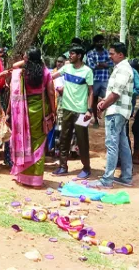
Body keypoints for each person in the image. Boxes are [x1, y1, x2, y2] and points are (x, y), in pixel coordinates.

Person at [9, 48, 56, 188]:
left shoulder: (23, 72)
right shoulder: (45, 71)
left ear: (28, 58)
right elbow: (51, 92)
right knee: (39, 143)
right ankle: (36, 179)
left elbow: (14, 66)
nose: (23, 57)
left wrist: (25, 61)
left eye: (25, 56)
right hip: (40, 110)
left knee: (25, 141)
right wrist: (53, 110)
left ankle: (24, 177)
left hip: (23, 110)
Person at [89, 42, 134, 189]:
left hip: (116, 112)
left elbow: (115, 94)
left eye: (112, 53)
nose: (109, 56)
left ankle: (107, 180)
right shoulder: (121, 68)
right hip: (119, 111)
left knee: (112, 144)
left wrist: (102, 105)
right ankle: (126, 177)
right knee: (122, 144)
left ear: (120, 55)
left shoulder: (123, 69)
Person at [52, 46, 94, 178]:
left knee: (82, 140)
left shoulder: (87, 71)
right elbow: (52, 76)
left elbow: (91, 91)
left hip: (81, 112)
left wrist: (89, 109)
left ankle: (86, 168)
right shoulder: (67, 68)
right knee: (64, 138)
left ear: (80, 56)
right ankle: (63, 166)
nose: (70, 56)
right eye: (70, 53)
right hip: (66, 109)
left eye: (73, 54)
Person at [87, 35, 114, 126]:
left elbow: (110, 64)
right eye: (98, 42)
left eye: (102, 41)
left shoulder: (107, 52)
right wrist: (103, 64)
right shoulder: (90, 53)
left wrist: (98, 64)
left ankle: (101, 111)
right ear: (94, 42)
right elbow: (92, 66)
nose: (100, 43)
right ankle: (95, 119)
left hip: (105, 79)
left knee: (107, 98)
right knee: (93, 99)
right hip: (94, 79)